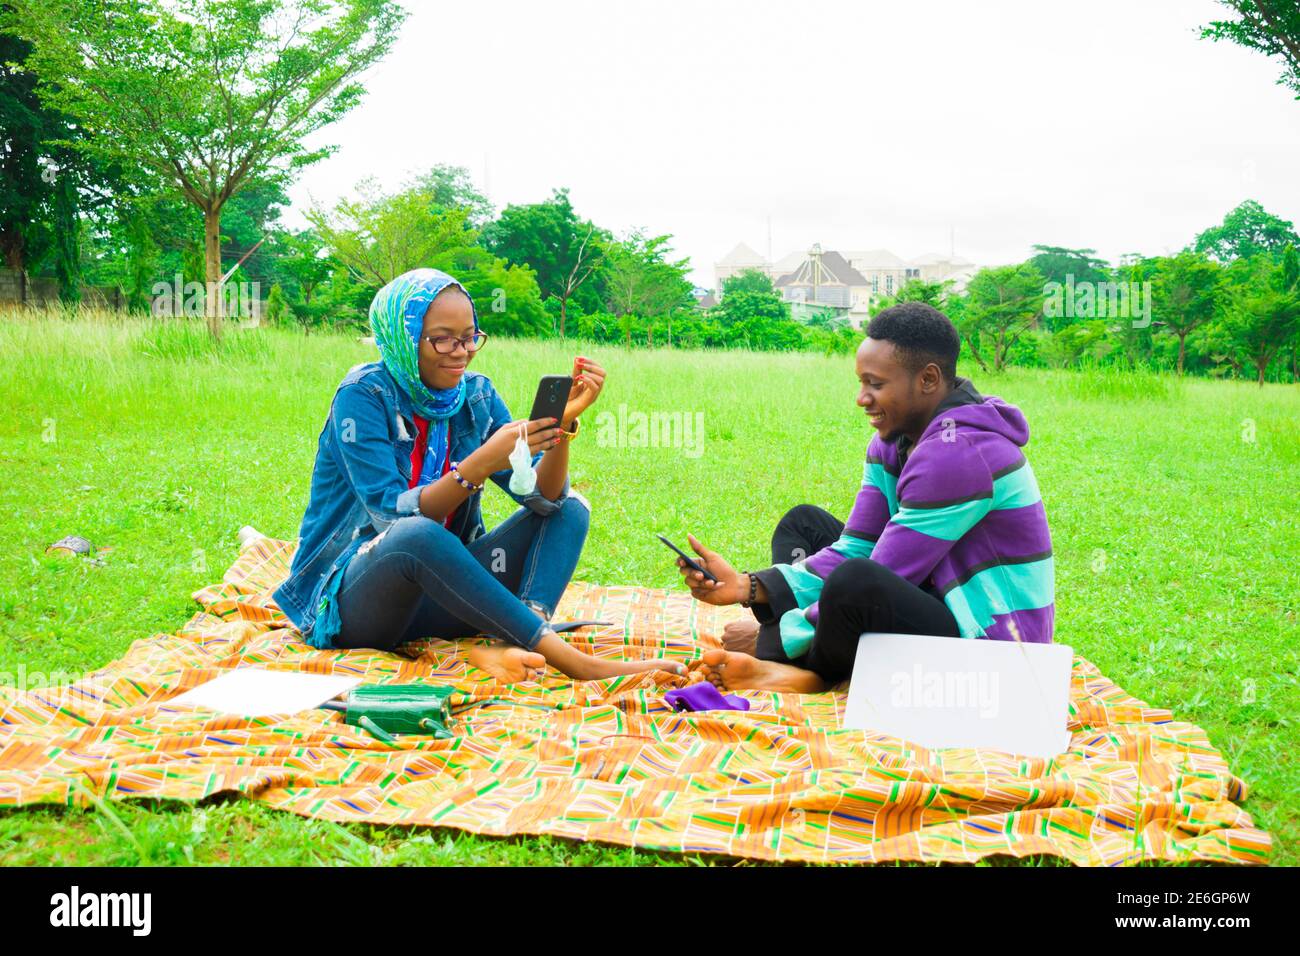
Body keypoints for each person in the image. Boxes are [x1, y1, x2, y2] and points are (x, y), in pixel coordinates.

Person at [274, 268, 682, 683]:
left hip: (444, 593)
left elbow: (543, 498)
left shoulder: (477, 395)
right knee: (416, 534)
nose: (461, 351)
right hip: (359, 605)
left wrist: (559, 428)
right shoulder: (364, 396)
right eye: (442, 338)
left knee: (569, 508)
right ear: (403, 335)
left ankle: (523, 637)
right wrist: (480, 464)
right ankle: (572, 661)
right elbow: (391, 519)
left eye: (470, 336)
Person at [677, 302, 1054, 693]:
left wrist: (771, 640)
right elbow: (858, 545)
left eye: (875, 384)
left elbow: (886, 572)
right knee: (803, 524)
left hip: (992, 645)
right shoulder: (893, 441)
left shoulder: (959, 453)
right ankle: (814, 653)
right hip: (935, 591)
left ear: (927, 379)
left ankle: (809, 673)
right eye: (861, 383)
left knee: (858, 582)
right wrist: (747, 586)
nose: (861, 398)